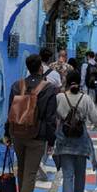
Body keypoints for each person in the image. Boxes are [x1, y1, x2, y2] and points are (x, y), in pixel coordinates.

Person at [5, 54, 58, 192]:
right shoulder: (49, 89)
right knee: (30, 175)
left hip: (17, 134)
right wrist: (51, 141)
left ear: (28, 68)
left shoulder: (17, 85)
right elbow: (51, 119)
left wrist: (7, 133)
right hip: (37, 137)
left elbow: (10, 111)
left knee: (22, 170)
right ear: (41, 68)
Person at [54, 70, 97, 192]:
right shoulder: (85, 99)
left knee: (68, 176)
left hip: (64, 141)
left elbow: (54, 117)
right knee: (80, 172)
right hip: (81, 141)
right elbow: (96, 118)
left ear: (66, 81)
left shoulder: (59, 98)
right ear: (79, 82)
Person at [38, 48, 61, 182]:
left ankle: (37, 161)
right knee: (49, 132)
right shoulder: (55, 74)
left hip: (36, 106)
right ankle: (43, 161)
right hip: (50, 106)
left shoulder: (32, 70)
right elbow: (58, 89)